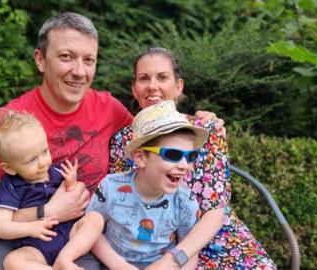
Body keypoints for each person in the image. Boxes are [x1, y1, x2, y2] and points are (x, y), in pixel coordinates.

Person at [0, 12, 221, 269]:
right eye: (66, 57)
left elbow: (156, 129)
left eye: (89, 60)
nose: (79, 71)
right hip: (22, 237)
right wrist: (47, 212)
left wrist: (201, 121)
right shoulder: (10, 125)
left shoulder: (108, 108)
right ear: (40, 60)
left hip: (82, 235)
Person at [106, 47, 276, 269]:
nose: (152, 85)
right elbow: (119, 202)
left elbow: (215, 211)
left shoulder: (206, 131)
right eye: (144, 78)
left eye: (162, 77)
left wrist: (175, 258)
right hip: (149, 240)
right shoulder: (123, 141)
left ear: (178, 87)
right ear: (134, 89)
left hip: (213, 238)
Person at [87, 101, 206, 270]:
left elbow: (190, 249)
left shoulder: (185, 201)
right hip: (111, 262)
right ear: (140, 158)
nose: (184, 165)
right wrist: (119, 265)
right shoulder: (111, 187)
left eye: (191, 156)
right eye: (172, 154)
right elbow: (91, 231)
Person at [0, 110, 104, 270]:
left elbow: (72, 200)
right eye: (31, 160)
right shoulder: (11, 185)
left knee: (95, 219)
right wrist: (29, 227)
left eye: (44, 152)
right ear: (9, 168)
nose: (43, 162)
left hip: (69, 234)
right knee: (12, 261)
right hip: (35, 245)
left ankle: (65, 259)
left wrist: (71, 182)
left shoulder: (56, 172)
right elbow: (0, 225)